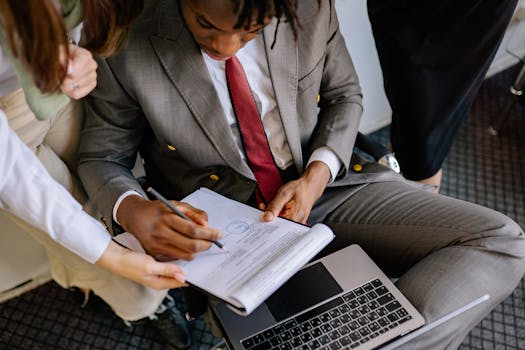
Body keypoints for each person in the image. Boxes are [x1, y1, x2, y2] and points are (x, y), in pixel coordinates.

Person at [78, 0, 525, 348]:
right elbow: (101, 156)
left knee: (502, 240)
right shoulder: (127, 37)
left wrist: (316, 174)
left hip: (327, 187)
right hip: (222, 228)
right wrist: (133, 209)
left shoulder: (309, 8)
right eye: (207, 25)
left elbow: (345, 95)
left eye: (250, 32)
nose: (226, 47)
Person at [0, 1, 193, 348]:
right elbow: (13, 174)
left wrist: (73, 48)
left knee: (95, 185)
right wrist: (112, 255)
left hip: (59, 90)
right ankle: (141, 305)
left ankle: (78, 279)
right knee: (67, 220)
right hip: (9, 119)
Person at [367, 0, 519, 191]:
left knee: (424, 142)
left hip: (471, 15)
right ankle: (399, 172)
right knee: (408, 110)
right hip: (404, 14)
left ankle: (415, 207)